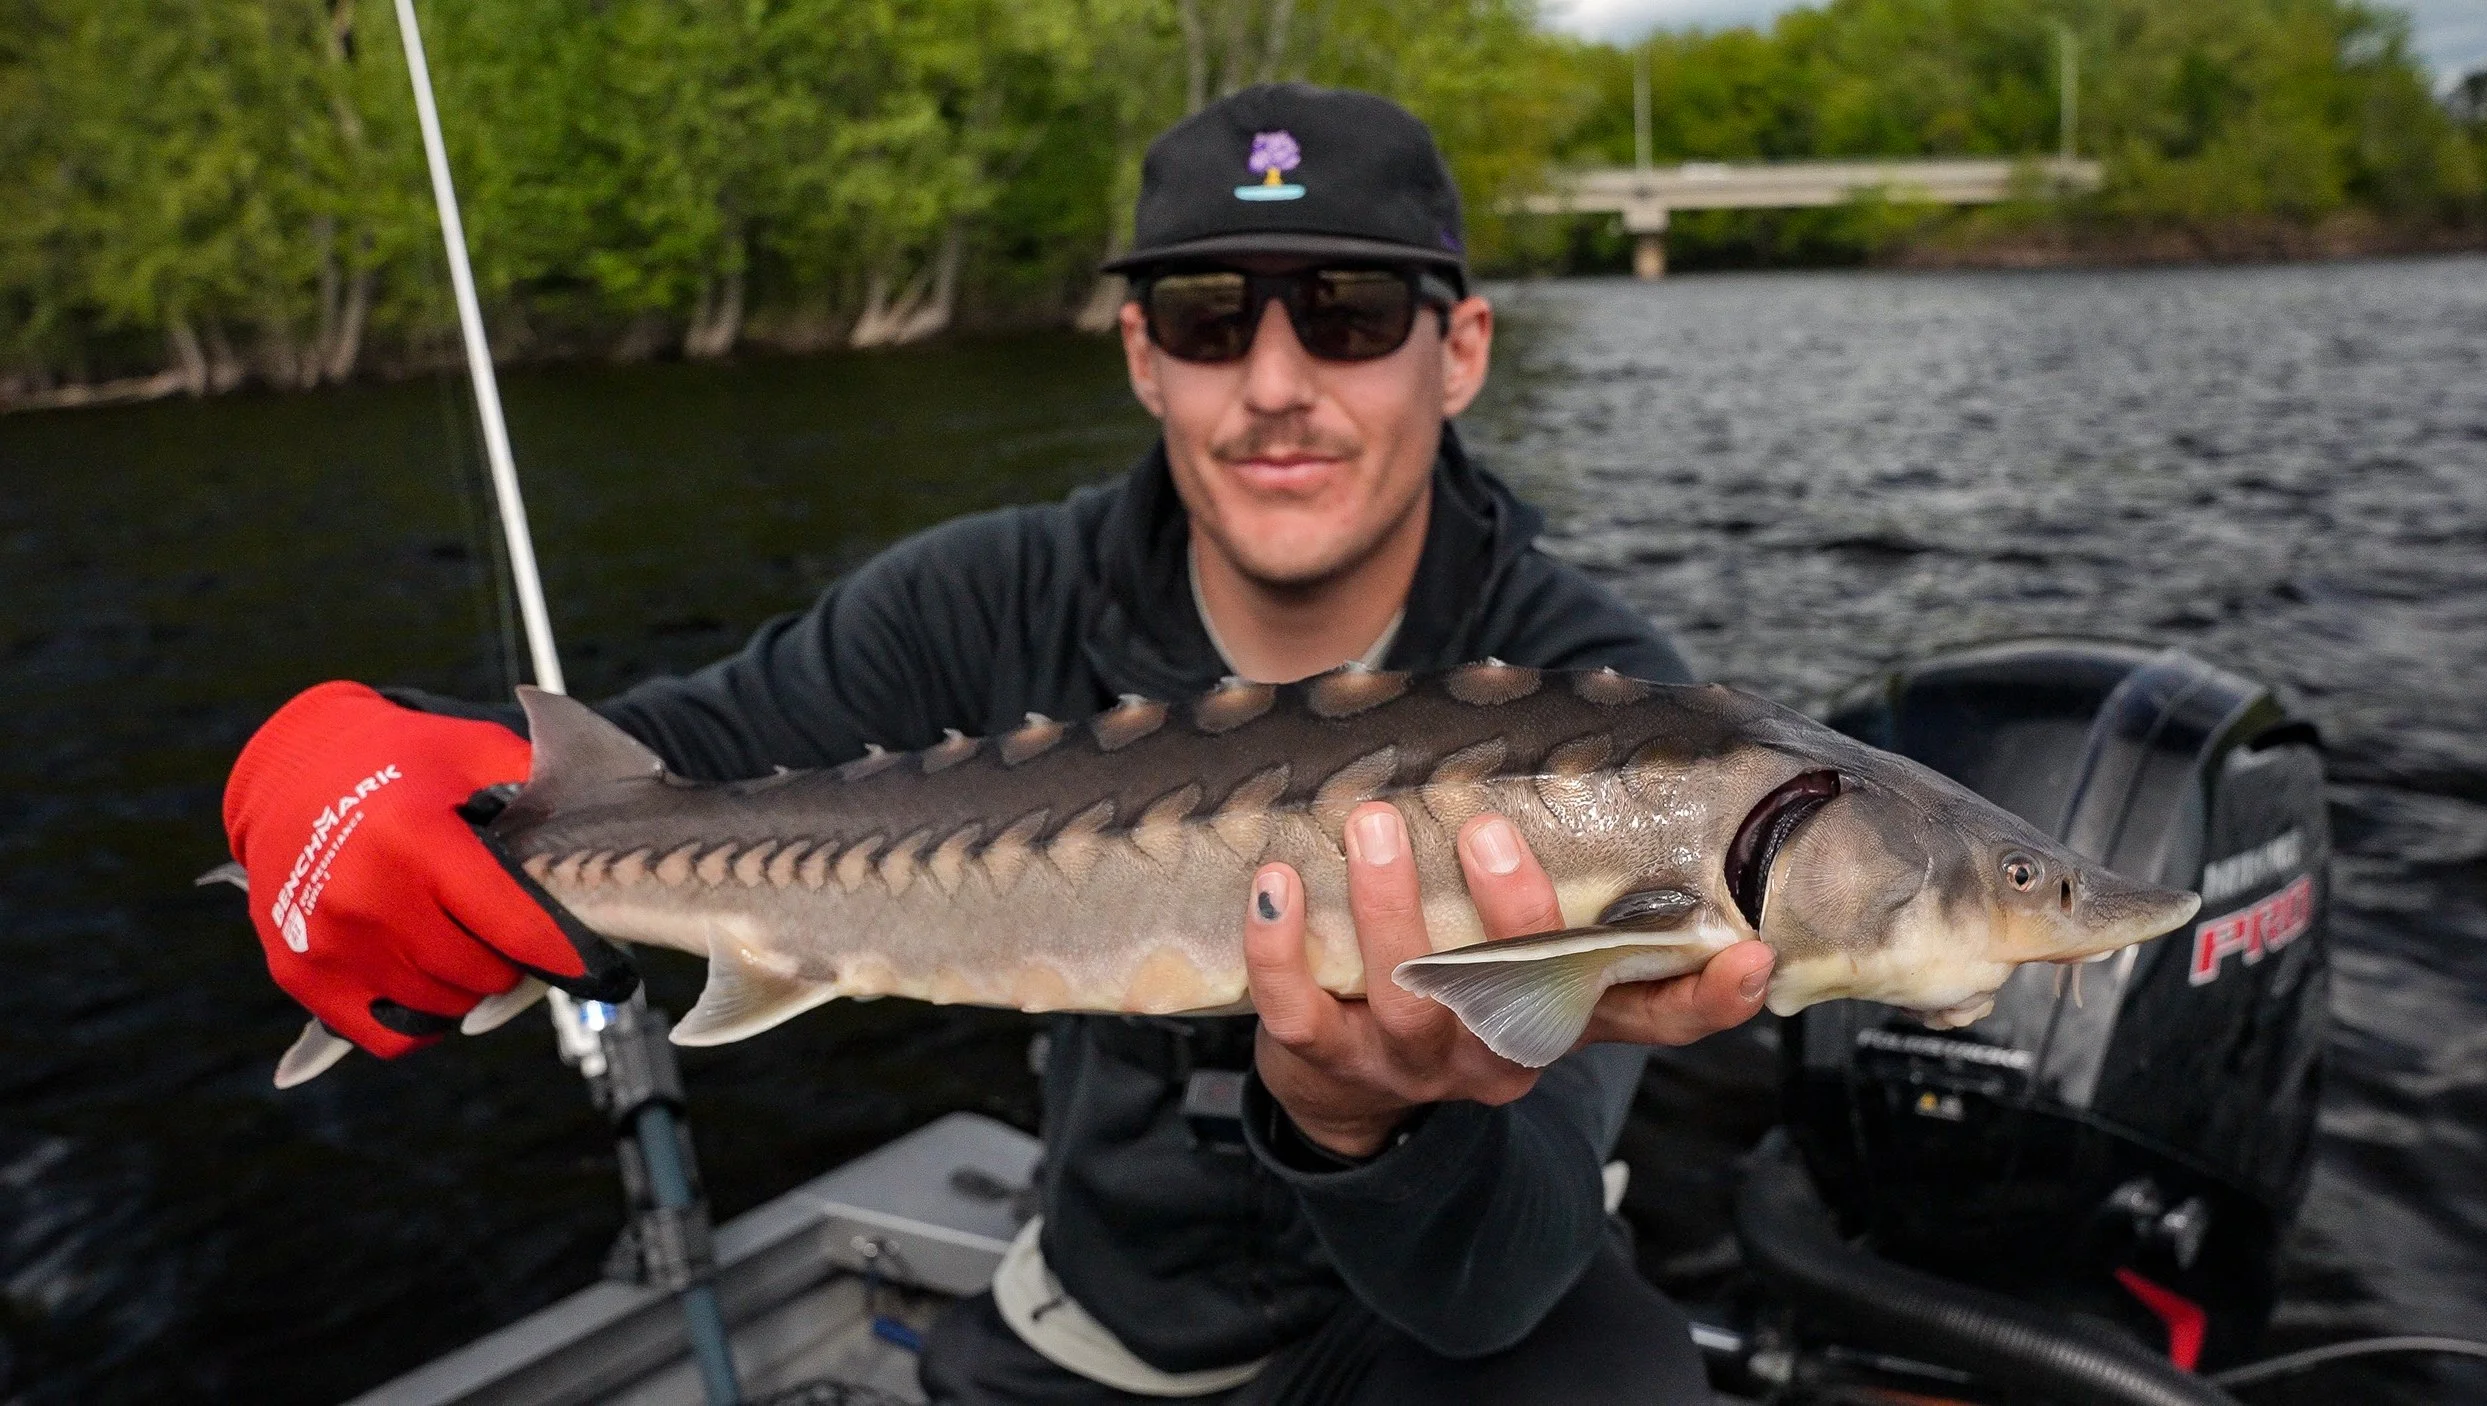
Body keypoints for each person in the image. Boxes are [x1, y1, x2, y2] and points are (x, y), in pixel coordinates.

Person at [218, 84, 1773, 1403]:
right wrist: (409, 761)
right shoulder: (983, 598)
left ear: (1462, 348)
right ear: (1142, 355)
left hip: (1445, 1329)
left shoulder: (1607, 719)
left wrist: (1370, 1126)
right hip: (1105, 1323)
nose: (1279, 384)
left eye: (1352, 315)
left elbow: (1502, 1269)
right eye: (1210, 318)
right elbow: (670, 760)